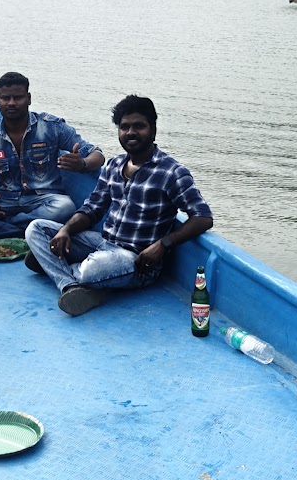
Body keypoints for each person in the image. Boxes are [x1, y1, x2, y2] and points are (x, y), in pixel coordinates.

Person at [24, 95, 214, 316]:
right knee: (36, 229)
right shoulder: (114, 165)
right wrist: (65, 230)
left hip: (135, 260)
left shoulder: (172, 172)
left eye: (139, 126)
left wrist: (163, 244)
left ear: (153, 129)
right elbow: (92, 209)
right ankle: (69, 285)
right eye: (125, 127)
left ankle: (57, 268)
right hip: (102, 244)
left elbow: (203, 217)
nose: (131, 132)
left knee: (91, 270)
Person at [0, 71, 105, 239]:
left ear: (29, 98)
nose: (12, 103)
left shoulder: (52, 127)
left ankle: (7, 229)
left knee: (65, 206)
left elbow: (97, 155)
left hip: (45, 200)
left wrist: (83, 164)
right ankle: (29, 230)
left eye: (18, 98)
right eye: (5, 98)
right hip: (6, 201)